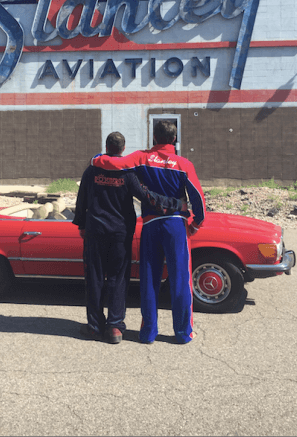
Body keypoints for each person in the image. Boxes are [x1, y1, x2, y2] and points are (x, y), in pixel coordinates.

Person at [91, 120, 205, 344]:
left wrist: (96, 158)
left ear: (154, 138)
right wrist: (195, 224)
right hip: (176, 226)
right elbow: (198, 200)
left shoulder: (141, 158)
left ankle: (148, 333)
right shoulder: (184, 164)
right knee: (180, 280)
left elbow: (116, 164)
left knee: (149, 280)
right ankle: (183, 333)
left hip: (151, 225)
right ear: (174, 139)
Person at [73, 131, 183, 344]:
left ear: (106, 147)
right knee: (118, 278)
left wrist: (81, 225)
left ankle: (95, 326)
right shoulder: (127, 172)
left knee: (94, 278)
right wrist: (176, 204)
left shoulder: (91, 170)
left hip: (95, 232)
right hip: (120, 233)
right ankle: (115, 327)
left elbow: (81, 200)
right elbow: (147, 196)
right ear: (123, 149)